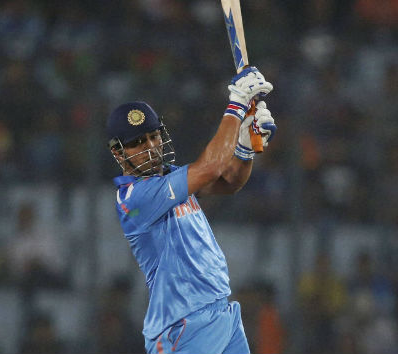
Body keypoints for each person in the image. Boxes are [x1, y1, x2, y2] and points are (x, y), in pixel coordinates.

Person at [106, 66, 275, 354]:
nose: (150, 147)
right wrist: (237, 103)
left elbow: (230, 182)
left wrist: (246, 148)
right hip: (182, 328)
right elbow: (211, 167)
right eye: (137, 143)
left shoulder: (171, 176)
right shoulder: (134, 198)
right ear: (118, 153)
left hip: (222, 313)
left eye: (153, 136)